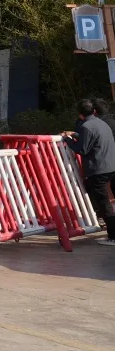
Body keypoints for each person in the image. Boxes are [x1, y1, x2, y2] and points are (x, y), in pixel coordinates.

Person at [62, 99, 115, 245]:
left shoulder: (86, 126)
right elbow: (92, 139)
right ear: (94, 111)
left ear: (80, 114)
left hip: (98, 169)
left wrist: (67, 139)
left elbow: (82, 149)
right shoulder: (102, 123)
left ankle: (113, 236)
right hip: (111, 166)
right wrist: (76, 135)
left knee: (104, 204)